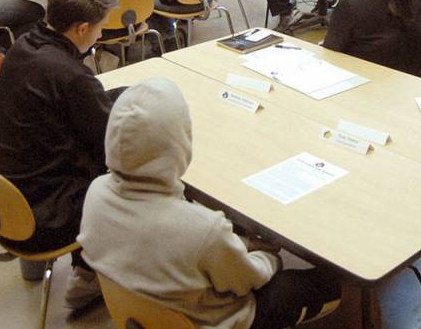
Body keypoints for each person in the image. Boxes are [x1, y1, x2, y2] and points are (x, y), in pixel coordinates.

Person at [78, 78, 341, 329]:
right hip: (214, 320)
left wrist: (242, 244)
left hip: (138, 310)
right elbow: (250, 279)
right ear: (179, 142)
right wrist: (271, 255)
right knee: (326, 283)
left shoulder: (96, 192)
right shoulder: (201, 228)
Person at [0, 0, 122, 309]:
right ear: (81, 29)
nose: (101, 33)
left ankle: (57, 267)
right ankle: (90, 277)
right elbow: (110, 146)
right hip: (44, 216)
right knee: (127, 181)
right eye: (100, 27)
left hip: (4, 198)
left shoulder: (22, 47)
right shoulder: (70, 75)